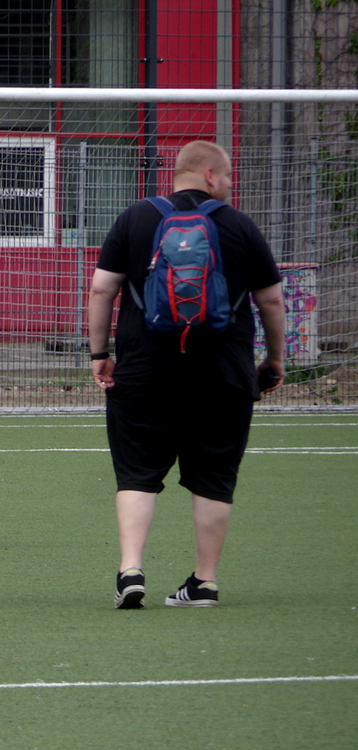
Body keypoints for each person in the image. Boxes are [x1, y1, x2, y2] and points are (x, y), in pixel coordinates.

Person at [86, 140, 284, 609]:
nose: (230, 186)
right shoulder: (238, 226)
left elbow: (101, 290)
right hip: (223, 375)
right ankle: (205, 581)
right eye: (229, 177)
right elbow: (271, 300)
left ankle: (130, 568)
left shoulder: (134, 219)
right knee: (214, 475)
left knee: (136, 472)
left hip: (143, 372)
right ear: (211, 176)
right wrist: (274, 360)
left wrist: (99, 353)